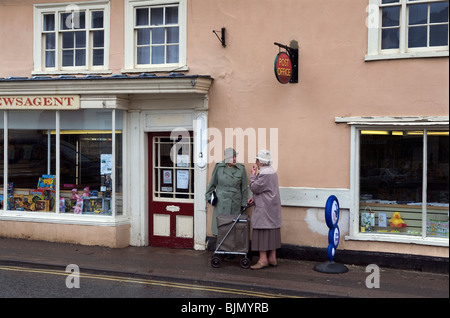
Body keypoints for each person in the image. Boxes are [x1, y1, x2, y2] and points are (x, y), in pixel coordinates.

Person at [249, 149, 282, 270]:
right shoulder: (272, 171)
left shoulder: (264, 173)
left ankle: (263, 260)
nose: (256, 162)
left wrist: (253, 175)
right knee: (272, 231)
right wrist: (254, 198)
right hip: (272, 207)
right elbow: (267, 189)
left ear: (261, 162)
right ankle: (272, 258)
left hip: (264, 208)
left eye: (257, 160)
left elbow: (255, 187)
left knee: (261, 232)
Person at [205, 148, 249, 236]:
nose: (235, 159)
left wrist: (243, 204)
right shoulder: (219, 167)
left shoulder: (241, 168)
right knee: (221, 227)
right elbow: (212, 184)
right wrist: (209, 198)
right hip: (221, 202)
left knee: (233, 229)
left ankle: (232, 248)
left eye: (235, 156)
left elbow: (244, 188)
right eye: (232, 157)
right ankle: (220, 247)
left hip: (235, 203)